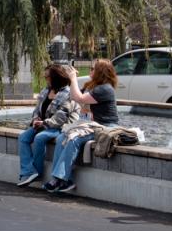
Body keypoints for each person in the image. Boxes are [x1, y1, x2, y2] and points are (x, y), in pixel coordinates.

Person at [44, 58, 120, 193]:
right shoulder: (94, 87)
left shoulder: (105, 89)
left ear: (100, 71)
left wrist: (73, 78)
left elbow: (78, 98)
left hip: (106, 126)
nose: (90, 71)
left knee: (73, 138)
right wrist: (71, 79)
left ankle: (61, 178)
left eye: (92, 69)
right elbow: (73, 96)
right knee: (62, 138)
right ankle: (61, 180)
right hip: (93, 125)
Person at [17, 64, 80, 187]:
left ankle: (38, 172)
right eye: (45, 76)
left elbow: (61, 117)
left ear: (56, 77)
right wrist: (36, 118)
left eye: (47, 76)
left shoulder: (68, 93)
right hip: (42, 125)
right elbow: (37, 109)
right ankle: (30, 171)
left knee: (39, 137)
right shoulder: (45, 91)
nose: (45, 79)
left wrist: (44, 123)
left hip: (58, 127)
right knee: (23, 137)